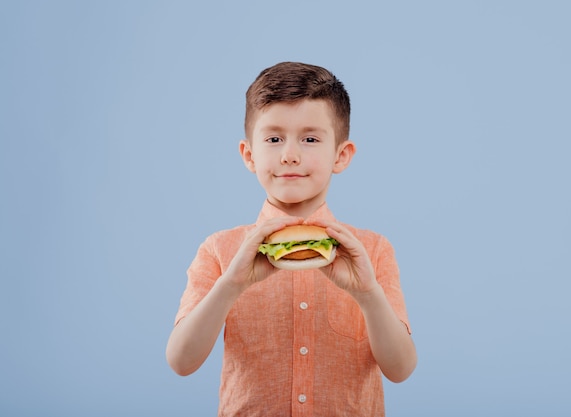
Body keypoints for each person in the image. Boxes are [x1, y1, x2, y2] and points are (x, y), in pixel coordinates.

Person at [166, 61, 417, 416]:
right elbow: (181, 361)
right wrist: (230, 286)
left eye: (310, 138)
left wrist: (368, 294)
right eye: (273, 138)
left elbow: (401, 369)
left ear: (341, 155)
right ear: (249, 155)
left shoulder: (372, 251)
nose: (290, 154)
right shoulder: (219, 250)